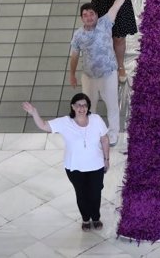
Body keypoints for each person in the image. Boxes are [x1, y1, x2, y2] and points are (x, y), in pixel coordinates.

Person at [22, 94, 110, 231]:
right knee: (81, 194)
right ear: (73, 106)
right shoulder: (65, 122)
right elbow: (44, 125)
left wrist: (106, 159)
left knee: (95, 193)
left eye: (85, 105)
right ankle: (86, 219)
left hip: (96, 166)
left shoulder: (96, 119)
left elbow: (104, 139)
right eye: (78, 105)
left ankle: (96, 217)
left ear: (88, 107)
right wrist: (34, 112)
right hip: (74, 168)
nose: (82, 108)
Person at [70, 0, 133, 147]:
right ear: (81, 18)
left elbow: (116, 6)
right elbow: (74, 55)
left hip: (108, 73)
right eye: (85, 15)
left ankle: (113, 136)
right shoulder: (78, 35)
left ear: (97, 15)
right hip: (89, 76)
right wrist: (72, 75)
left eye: (92, 13)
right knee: (89, 107)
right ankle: (92, 133)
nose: (89, 17)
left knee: (112, 105)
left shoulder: (105, 23)